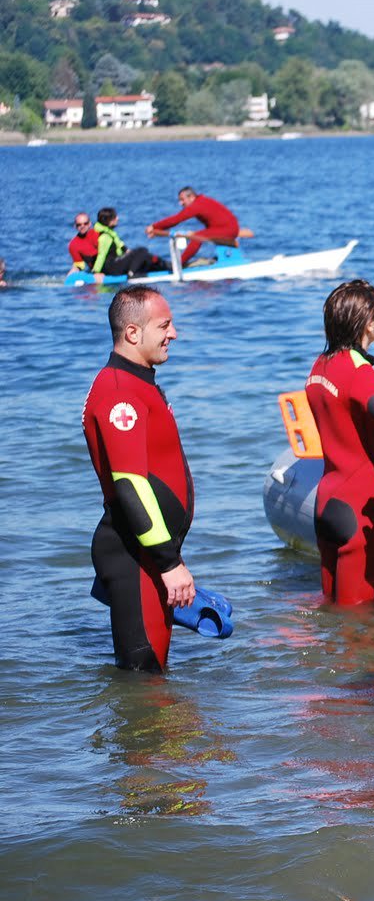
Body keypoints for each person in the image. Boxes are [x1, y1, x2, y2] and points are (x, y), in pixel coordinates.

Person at [83, 286, 196, 672]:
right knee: (144, 685)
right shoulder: (119, 393)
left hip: (149, 553)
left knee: (153, 682)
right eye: (164, 325)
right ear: (133, 333)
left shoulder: (138, 383)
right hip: (136, 555)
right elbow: (130, 483)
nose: (174, 333)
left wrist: (168, 557)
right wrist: (168, 563)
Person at [306, 280, 374, 605]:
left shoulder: (319, 365)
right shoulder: (358, 370)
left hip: (326, 500)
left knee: (331, 616)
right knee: (358, 629)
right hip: (360, 505)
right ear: (368, 322)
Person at [146, 187, 240, 267]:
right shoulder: (201, 201)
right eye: (179, 200)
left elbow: (176, 219)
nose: (180, 203)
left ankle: (179, 264)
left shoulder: (197, 205)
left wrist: (154, 227)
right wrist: (157, 230)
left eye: (182, 199)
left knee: (197, 237)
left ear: (191, 197)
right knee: (197, 235)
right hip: (227, 228)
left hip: (228, 229)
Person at [83, 208, 158, 280]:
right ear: (109, 221)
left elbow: (120, 245)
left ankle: (157, 268)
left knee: (143, 255)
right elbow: (101, 255)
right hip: (113, 268)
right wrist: (95, 272)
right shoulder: (105, 237)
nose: (117, 218)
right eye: (115, 217)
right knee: (142, 250)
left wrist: (128, 252)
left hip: (115, 264)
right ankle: (131, 274)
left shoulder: (110, 233)